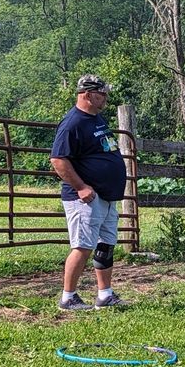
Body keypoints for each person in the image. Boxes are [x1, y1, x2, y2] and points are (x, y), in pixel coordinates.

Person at [49, 72, 127, 311]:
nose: (105, 97)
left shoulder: (97, 119)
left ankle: (105, 294)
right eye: (101, 94)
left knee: (106, 244)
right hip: (84, 199)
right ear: (86, 95)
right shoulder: (73, 123)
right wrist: (81, 187)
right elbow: (58, 159)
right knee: (82, 246)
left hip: (105, 196)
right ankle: (68, 297)